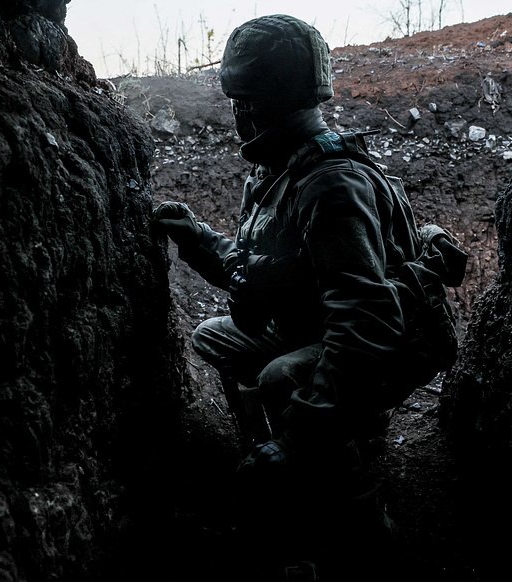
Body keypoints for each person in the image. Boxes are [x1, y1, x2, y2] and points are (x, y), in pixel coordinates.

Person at [152, 14, 427, 480]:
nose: (238, 113)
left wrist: (297, 440)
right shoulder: (279, 169)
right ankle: (283, 444)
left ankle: (349, 506)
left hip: (380, 347)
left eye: (246, 102)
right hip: (315, 326)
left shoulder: (331, 185)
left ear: (272, 103)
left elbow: (366, 321)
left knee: (281, 377)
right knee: (216, 335)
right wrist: (194, 237)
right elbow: (262, 270)